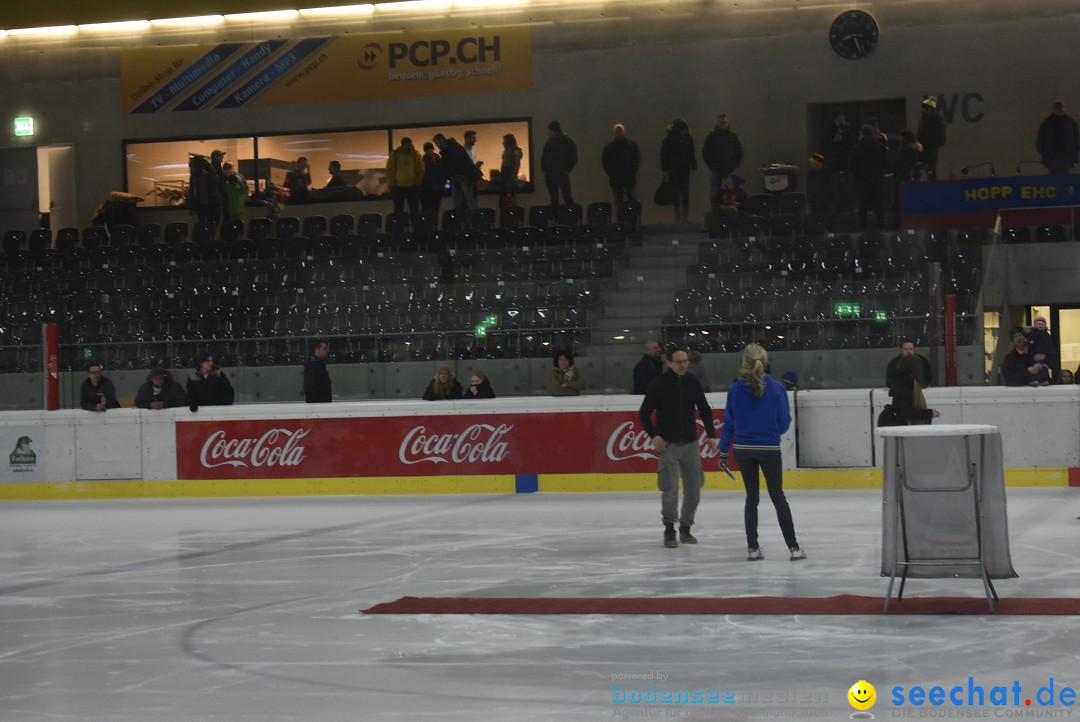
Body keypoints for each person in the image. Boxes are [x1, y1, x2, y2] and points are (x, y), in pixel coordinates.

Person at [716, 344, 804, 561]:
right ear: (764, 362)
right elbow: (784, 422)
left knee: (751, 498)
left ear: (744, 363)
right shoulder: (776, 389)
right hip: (769, 448)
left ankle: (753, 548)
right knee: (778, 496)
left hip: (743, 449)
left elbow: (729, 423)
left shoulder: (735, 389)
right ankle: (793, 548)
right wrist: (770, 431)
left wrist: (723, 451)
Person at [638, 347, 718, 548]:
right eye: (679, 361)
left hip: (691, 444)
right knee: (670, 489)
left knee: (694, 490)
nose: (683, 365)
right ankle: (669, 528)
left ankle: (685, 527)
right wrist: (654, 435)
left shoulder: (692, 382)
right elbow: (644, 413)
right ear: (669, 363)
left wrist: (711, 434)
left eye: (686, 361)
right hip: (669, 446)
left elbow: (704, 409)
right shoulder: (659, 384)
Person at [848, 124, 891, 229]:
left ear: (862, 134)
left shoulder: (856, 148)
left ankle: (863, 229)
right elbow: (887, 164)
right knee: (879, 206)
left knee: (863, 207)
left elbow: (851, 166)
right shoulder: (880, 147)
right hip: (877, 180)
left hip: (862, 181)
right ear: (872, 134)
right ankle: (880, 227)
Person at [702, 114, 743, 213]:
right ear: (718, 123)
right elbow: (706, 153)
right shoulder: (711, 137)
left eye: (724, 122)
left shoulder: (733, 136)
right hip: (716, 169)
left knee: (733, 191)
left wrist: (735, 165)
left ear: (728, 123)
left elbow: (739, 151)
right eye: (721, 122)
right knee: (715, 191)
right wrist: (712, 166)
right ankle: (716, 211)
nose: (723, 124)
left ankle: (733, 211)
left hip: (730, 169)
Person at [660, 118, 697, 223]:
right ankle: (678, 217)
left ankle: (684, 217)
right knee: (676, 192)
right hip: (674, 169)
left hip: (683, 169)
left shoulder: (687, 138)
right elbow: (664, 154)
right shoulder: (670, 138)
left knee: (685, 192)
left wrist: (693, 164)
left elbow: (691, 152)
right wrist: (666, 170)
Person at [887, 354, 940, 426]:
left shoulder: (901, 384)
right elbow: (908, 413)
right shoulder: (905, 387)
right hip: (906, 428)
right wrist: (929, 413)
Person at [434, 133, 482, 213]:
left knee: (458, 200)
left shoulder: (446, 153)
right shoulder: (456, 148)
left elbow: (447, 168)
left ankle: (460, 217)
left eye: (437, 143)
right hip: (464, 177)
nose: (437, 145)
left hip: (460, 177)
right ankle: (472, 217)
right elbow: (465, 163)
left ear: (442, 140)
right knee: (469, 199)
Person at [540, 120, 577, 211]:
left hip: (559, 173)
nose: (548, 133)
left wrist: (566, 170)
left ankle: (565, 216)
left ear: (554, 131)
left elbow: (573, 157)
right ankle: (569, 214)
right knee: (558, 197)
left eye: (549, 131)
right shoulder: (553, 142)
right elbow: (544, 158)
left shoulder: (564, 141)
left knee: (564, 196)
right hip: (554, 173)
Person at [601, 123, 641, 205]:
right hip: (620, 177)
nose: (619, 132)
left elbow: (637, 160)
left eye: (620, 131)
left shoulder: (609, 147)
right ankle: (630, 215)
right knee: (623, 198)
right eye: (617, 131)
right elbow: (605, 162)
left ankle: (625, 215)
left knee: (628, 197)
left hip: (624, 176)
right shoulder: (631, 145)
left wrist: (611, 173)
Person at [1036, 101, 1080, 175]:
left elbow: (1077, 141)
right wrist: (1045, 155)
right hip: (1052, 157)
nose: (1060, 110)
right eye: (1058, 108)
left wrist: (1074, 156)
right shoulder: (1047, 123)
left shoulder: (1070, 123)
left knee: (1064, 179)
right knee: (1054, 179)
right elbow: (1040, 142)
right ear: (1053, 109)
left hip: (1066, 156)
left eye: (1061, 108)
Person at [386, 137, 424, 222]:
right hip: (398, 187)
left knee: (414, 209)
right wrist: (392, 184)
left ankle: (415, 227)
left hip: (412, 186)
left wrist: (417, 182)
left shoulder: (415, 155)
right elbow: (389, 170)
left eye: (410, 145)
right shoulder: (395, 155)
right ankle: (399, 227)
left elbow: (421, 169)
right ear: (403, 146)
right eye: (407, 145)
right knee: (399, 210)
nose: (409, 147)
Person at [917, 97, 947, 180]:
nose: (921, 110)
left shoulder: (927, 118)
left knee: (924, 170)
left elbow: (921, 133)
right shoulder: (937, 118)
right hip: (931, 149)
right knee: (931, 171)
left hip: (926, 149)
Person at [420, 142, 445, 216]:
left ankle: (430, 224)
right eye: (428, 150)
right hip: (429, 189)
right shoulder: (437, 160)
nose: (429, 152)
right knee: (433, 209)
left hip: (429, 189)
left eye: (430, 150)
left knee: (431, 209)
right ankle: (433, 224)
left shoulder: (423, 161)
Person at [1027, 316, 1054, 385]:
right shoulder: (1032, 334)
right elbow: (1029, 345)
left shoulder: (1047, 335)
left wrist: (1047, 355)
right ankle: (1034, 379)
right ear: (1035, 325)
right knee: (1035, 368)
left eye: (1042, 324)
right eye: (1038, 324)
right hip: (1035, 355)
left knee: (1044, 368)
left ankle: (1043, 379)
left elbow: (1049, 346)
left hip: (1044, 355)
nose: (1040, 326)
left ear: (1045, 326)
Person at [499, 133, 523, 207]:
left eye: (504, 141)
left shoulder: (509, 152)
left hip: (507, 182)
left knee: (504, 204)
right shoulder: (516, 152)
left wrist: (501, 179)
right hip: (513, 180)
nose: (503, 143)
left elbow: (506, 167)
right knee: (512, 203)